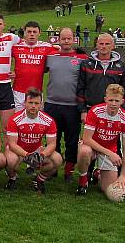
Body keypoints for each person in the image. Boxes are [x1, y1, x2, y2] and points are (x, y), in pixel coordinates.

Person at [45, 28, 87, 181]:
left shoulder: (82, 58)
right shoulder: (51, 56)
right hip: (51, 104)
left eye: (69, 38)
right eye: (63, 38)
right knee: (52, 139)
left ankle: (69, 170)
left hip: (72, 106)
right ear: (58, 39)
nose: (66, 41)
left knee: (71, 139)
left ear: (74, 40)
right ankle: (53, 167)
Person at [76, 84, 125, 197]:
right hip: (91, 146)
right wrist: (110, 153)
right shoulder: (95, 111)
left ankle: (97, 174)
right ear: (105, 99)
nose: (113, 103)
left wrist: (123, 176)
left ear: (122, 101)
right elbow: (87, 139)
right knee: (84, 151)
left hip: (109, 150)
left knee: (107, 189)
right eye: (110, 100)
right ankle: (83, 180)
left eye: (116, 100)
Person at [4, 88, 63, 194]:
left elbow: (52, 144)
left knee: (57, 159)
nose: (33, 106)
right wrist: (26, 154)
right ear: (25, 103)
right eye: (30, 102)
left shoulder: (48, 120)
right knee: (10, 160)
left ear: (41, 104)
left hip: (37, 151)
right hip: (19, 150)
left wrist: (42, 155)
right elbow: (12, 144)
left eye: (36, 103)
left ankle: (39, 180)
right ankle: (12, 178)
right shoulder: (15, 119)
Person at [11, 21, 57, 112]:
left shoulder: (47, 47)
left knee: (36, 121)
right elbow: (3, 58)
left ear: (39, 33)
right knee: (18, 120)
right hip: (18, 92)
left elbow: (61, 51)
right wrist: (8, 72)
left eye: (34, 32)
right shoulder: (15, 47)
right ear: (24, 33)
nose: (32, 34)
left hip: (37, 92)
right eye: (29, 31)